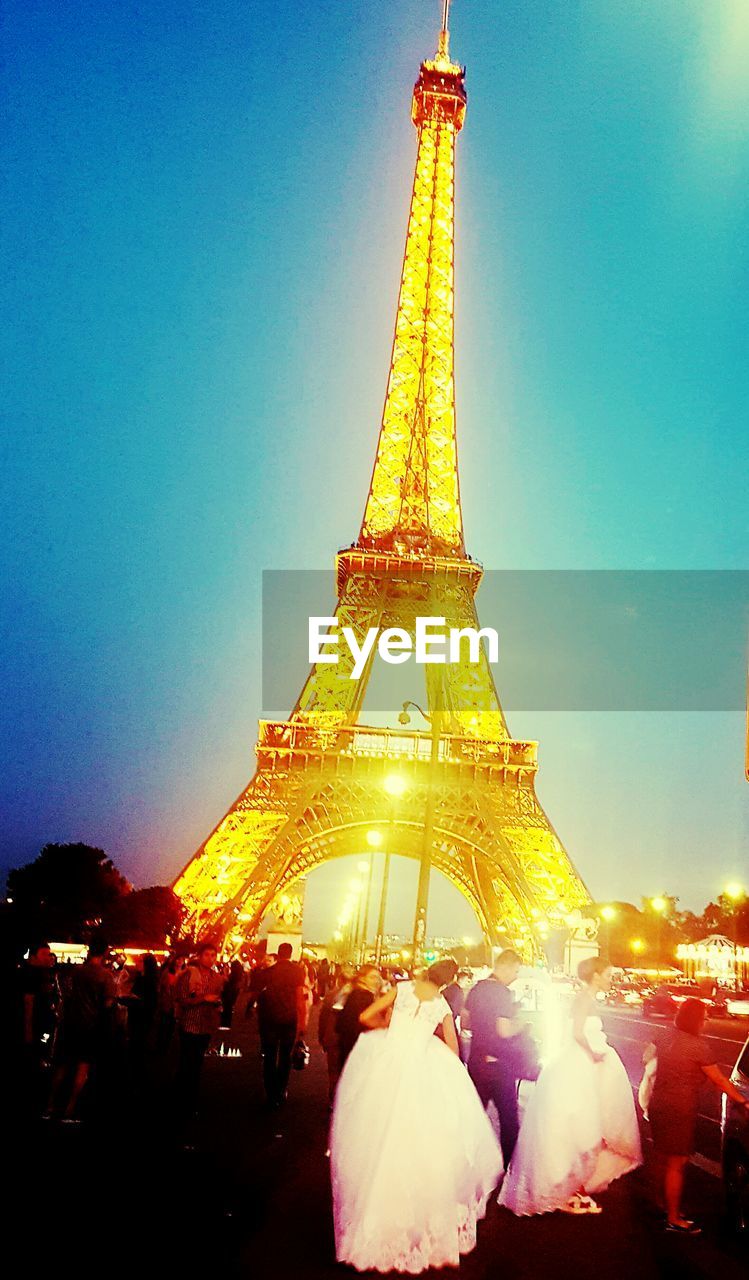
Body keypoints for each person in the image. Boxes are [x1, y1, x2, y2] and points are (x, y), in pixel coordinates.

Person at [330, 957, 501, 1272]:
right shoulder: (441, 1007)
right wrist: (428, 1043)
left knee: (379, 1140)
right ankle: (417, 1218)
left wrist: (392, 1029)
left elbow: (366, 1016)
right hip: (421, 1074)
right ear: (448, 983)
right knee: (420, 1145)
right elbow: (452, 1050)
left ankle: (372, 1222)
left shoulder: (402, 988)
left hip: (387, 1067)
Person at [499, 955, 642, 1216]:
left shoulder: (585, 997)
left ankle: (575, 1185)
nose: (611, 980)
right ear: (596, 975)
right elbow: (577, 1033)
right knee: (581, 1123)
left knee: (580, 1124)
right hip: (580, 1064)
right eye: (608, 975)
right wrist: (594, 1054)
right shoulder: (585, 998)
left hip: (579, 1064)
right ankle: (571, 1187)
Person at [645, 996, 749, 1234]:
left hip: (659, 1103)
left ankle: (662, 1206)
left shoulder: (664, 1035)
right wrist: (742, 1101)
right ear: (695, 1020)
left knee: (662, 1158)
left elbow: (646, 1056)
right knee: (677, 1164)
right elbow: (720, 1080)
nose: (707, 1020)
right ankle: (673, 1219)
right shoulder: (698, 1046)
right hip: (680, 1109)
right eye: (704, 1017)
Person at [463, 949, 525, 1168]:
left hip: (476, 1061)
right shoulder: (503, 993)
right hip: (498, 1065)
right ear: (506, 966)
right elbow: (504, 1030)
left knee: (474, 1117)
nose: (515, 976)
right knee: (509, 1120)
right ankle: (509, 1168)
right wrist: (523, 1024)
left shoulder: (476, 989)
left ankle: (466, 1163)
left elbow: (465, 1023)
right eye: (515, 970)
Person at [47, 936, 116, 1122]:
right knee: (82, 1068)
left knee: (61, 1065)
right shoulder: (105, 975)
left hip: (69, 1023)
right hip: (90, 1026)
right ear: (104, 953)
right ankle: (70, 1107)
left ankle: (50, 1103)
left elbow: (65, 995)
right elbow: (108, 1003)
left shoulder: (75, 972)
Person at [173, 941, 224, 1122]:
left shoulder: (218, 978)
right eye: (207, 955)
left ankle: (189, 1100)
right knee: (187, 1064)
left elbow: (218, 999)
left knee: (196, 1064)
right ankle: (181, 1100)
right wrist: (204, 999)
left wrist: (217, 1005)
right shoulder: (189, 975)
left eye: (213, 955)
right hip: (189, 1024)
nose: (210, 958)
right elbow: (182, 999)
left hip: (205, 1026)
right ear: (200, 957)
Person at [257, 942, 305, 1108]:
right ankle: (280, 1090)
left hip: (270, 1018)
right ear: (291, 954)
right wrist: (303, 1021)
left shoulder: (269, 972)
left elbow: (260, 994)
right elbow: (300, 997)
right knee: (285, 1057)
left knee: (269, 1056)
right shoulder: (298, 972)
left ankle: (270, 1092)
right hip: (289, 1018)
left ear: (278, 953)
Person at [318, 965, 355, 1104]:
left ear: (339, 979)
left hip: (332, 1037)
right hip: (351, 1039)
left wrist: (322, 1037)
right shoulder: (357, 997)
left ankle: (333, 1100)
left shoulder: (331, 995)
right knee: (348, 1071)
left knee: (333, 1072)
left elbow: (323, 1018)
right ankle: (345, 1101)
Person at [336, 964, 382, 1071]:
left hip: (347, 1040)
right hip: (356, 1042)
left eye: (378, 977)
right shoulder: (364, 996)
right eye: (372, 977)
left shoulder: (355, 991)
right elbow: (365, 1019)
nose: (376, 981)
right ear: (362, 978)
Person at [220, 959, 245, 1030]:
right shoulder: (240, 974)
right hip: (233, 993)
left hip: (229, 993)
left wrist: (225, 976)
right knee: (228, 1008)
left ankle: (225, 1024)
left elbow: (229, 983)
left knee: (227, 1008)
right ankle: (226, 1023)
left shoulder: (234, 975)